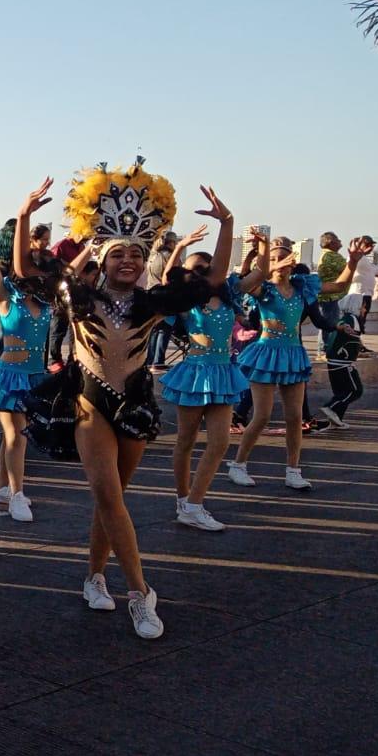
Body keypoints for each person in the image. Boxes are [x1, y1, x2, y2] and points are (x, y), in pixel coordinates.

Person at [21, 164, 226, 641]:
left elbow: (212, 279)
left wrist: (227, 224)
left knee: (110, 501)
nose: (128, 261)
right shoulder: (79, 299)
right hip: (89, 408)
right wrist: (25, 215)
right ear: (103, 259)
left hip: (134, 409)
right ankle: (140, 594)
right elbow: (26, 271)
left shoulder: (152, 303)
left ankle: (94, 576)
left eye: (136, 253)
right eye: (118, 254)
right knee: (110, 498)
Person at [228, 232, 360, 491]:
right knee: (262, 416)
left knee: (294, 417)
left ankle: (293, 470)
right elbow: (239, 286)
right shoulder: (262, 288)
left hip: (292, 354)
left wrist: (353, 261)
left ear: (292, 261)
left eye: (283, 258)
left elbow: (338, 287)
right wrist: (267, 261)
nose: (278, 262)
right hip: (265, 353)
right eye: (273, 259)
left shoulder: (302, 286)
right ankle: (238, 465)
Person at [0, 196, 55, 523]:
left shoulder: (46, 306)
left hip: (35, 377)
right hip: (8, 377)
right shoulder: (6, 300)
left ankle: (2, 486)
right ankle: (17, 495)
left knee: (15, 436)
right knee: (16, 436)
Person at [157, 212, 246, 532]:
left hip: (223, 372)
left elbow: (242, 272)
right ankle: (184, 499)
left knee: (220, 442)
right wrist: (180, 247)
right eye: (196, 268)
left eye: (207, 267)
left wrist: (230, 225)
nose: (204, 272)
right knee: (185, 440)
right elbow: (168, 279)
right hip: (195, 373)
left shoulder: (225, 298)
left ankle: (194, 503)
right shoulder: (186, 303)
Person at [143, 230, 181, 369]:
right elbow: (176, 276)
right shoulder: (170, 257)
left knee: (154, 330)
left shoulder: (153, 256)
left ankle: (149, 360)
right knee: (164, 330)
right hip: (166, 296)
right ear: (171, 243)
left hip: (151, 294)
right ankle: (158, 361)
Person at [344, 235, 378, 331]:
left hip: (366, 295)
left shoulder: (366, 260)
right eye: (368, 244)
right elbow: (351, 261)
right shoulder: (357, 258)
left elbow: (377, 271)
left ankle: (356, 343)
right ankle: (352, 343)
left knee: (360, 323)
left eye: (372, 244)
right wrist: (359, 252)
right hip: (358, 294)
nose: (371, 247)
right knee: (355, 322)